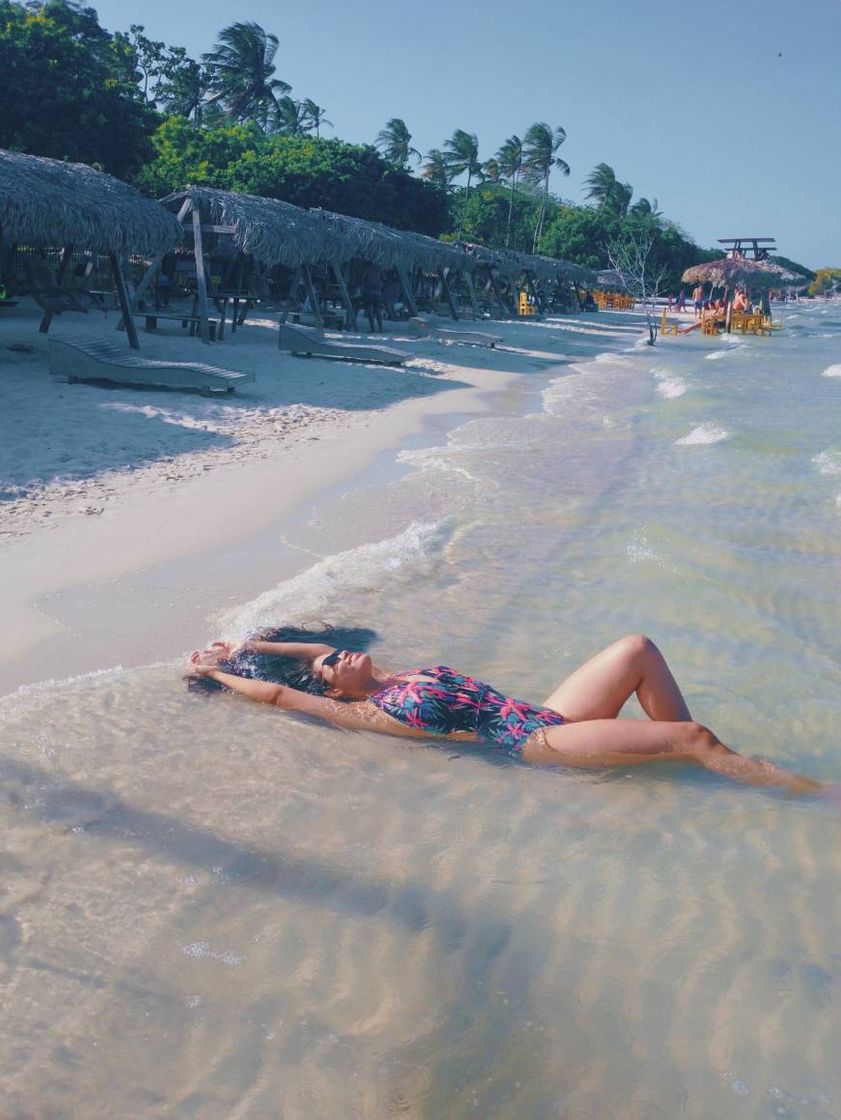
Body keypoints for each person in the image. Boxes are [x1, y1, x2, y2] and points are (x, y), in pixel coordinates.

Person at [186, 630, 832, 795]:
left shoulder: (398, 673)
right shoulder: (366, 711)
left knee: (636, 648)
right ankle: (808, 793)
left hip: (547, 714)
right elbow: (276, 693)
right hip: (537, 746)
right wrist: (214, 672)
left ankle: (702, 761)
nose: (337, 658)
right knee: (692, 735)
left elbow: (311, 650)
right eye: (330, 668)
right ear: (332, 693)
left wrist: (245, 644)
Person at [362, 265, 384, 333]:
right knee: (378, 310)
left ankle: (372, 329)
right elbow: (384, 278)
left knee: (370, 310)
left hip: (369, 290)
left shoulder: (367, 268)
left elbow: (362, 278)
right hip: (378, 290)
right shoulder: (379, 268)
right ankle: (380, 328)